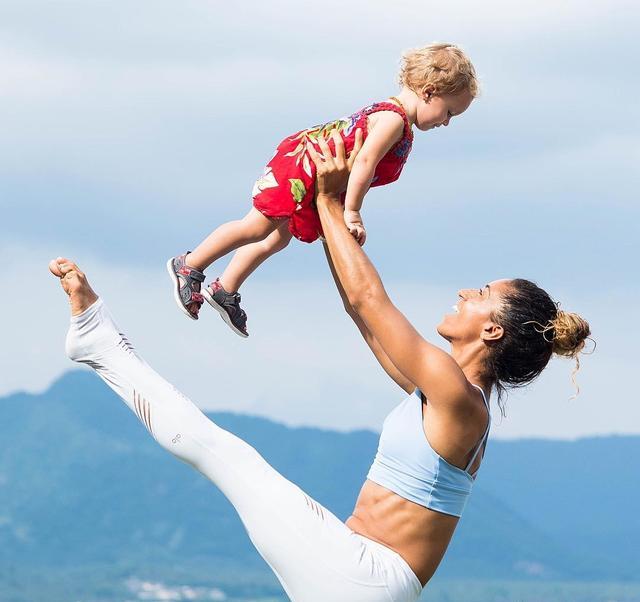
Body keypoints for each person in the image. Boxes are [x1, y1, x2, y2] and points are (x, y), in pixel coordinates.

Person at [49, 135, 590, 602]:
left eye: (481, 295)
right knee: (227, 456)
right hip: (355, 574)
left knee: (226, 455)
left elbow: (372, 299)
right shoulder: (441, 395)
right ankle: (97, 342)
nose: (463, 292)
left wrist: (331, 200)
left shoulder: (456, 396)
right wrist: (319, 218)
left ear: (491, 331)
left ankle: (98, 342)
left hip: (361, 575)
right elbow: (360, 309)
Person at [167, 43, 478, 337]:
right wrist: (353, 212)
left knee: (277, 238)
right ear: (429, 92)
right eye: (449, 112)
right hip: (301, 167)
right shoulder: (393, 120)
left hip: (312, 173)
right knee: (256, 226)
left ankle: (226, 288)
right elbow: (365, 164)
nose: (447, 123)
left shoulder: (396, 120)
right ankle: (191, 265)